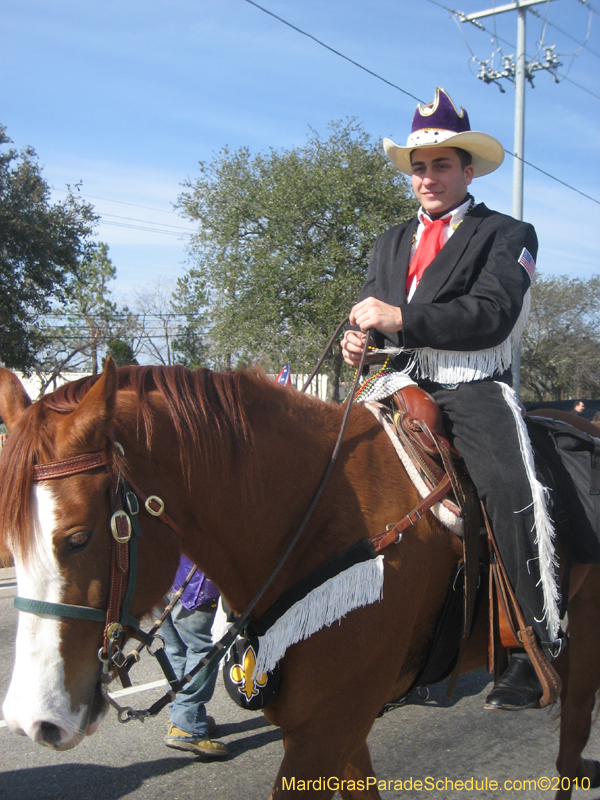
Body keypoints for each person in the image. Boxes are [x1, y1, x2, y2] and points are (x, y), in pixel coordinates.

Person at [341, 87, 561, 710]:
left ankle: (532, 644)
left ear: (468, 170)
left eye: (442, 164)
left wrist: (401, 318)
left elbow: (492, 314)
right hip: (391, 383)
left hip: (469, 386)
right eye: (419, 167)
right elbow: (369, 312)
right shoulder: (389, 241)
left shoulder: (508, 233)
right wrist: (358, 342)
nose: (429, 177)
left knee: (510, 484)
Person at [162, 555, 228, 758]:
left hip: (159, 575)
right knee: (202, 649)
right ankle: (187, 724)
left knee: (176, 650)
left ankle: (182, 716)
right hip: (190, 579)